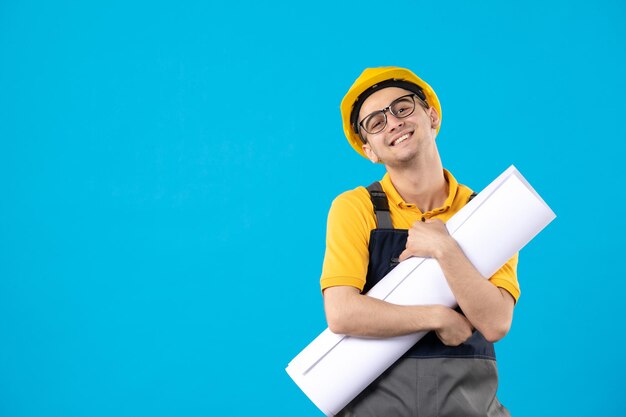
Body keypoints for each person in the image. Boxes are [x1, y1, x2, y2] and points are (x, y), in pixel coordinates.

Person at [320, 66, 520, 417]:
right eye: (376, 122)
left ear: (432, 116)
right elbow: (341, 313)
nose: (393, 122)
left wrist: (444, 248)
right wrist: (437, 317)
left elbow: (495, 322)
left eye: (402, 108)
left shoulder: (489, 212)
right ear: (370, 150)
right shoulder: (355, 208)